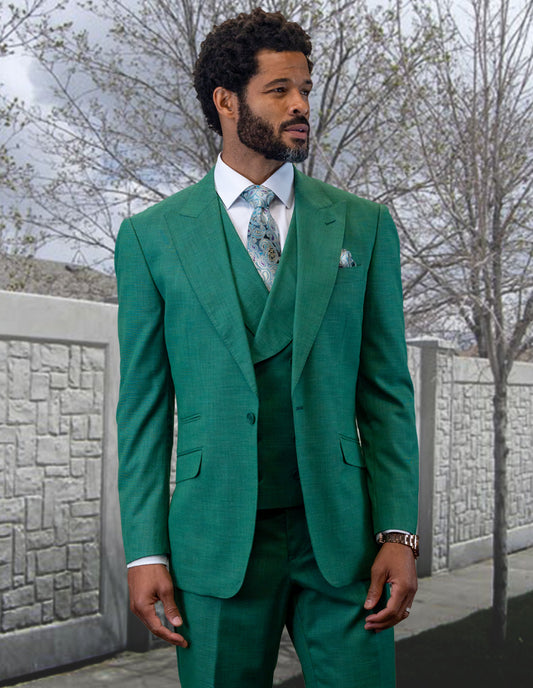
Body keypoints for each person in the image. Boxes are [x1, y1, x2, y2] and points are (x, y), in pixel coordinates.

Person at [115, 8, 419, 688]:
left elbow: (386, 392)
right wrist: (143, 550)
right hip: (215, 542)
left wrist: (399, 532)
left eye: (305, 88)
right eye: (279, 90)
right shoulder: (150, 238)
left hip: (343, 541)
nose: (301, 105)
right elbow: (140, 409)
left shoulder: (363, 226)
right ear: (226, 101)